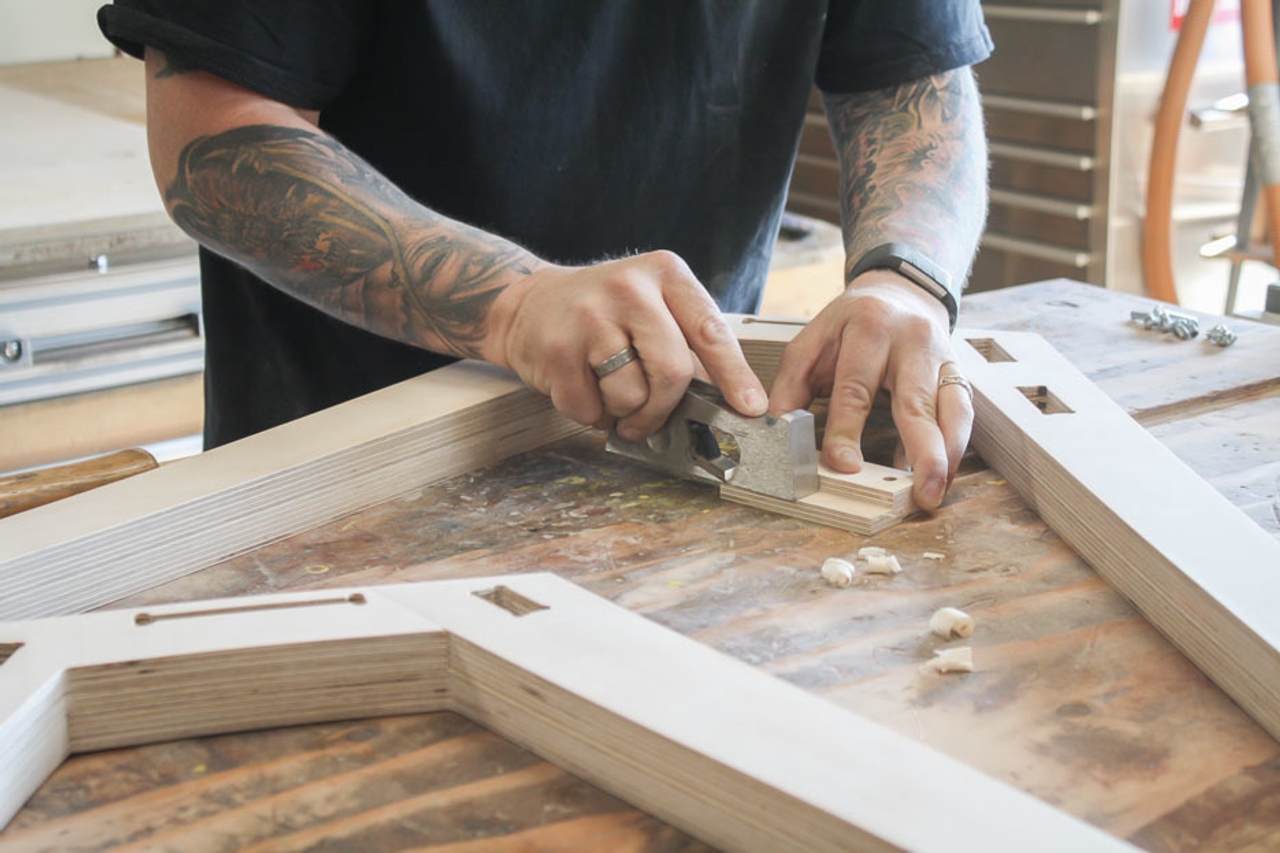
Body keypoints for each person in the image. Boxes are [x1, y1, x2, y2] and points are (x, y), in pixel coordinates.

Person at [97, 2, 991, 511]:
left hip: (696, 448)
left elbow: (912, 85)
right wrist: (515, 305)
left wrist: (905, 276)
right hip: (343, 482)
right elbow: (209, 145)